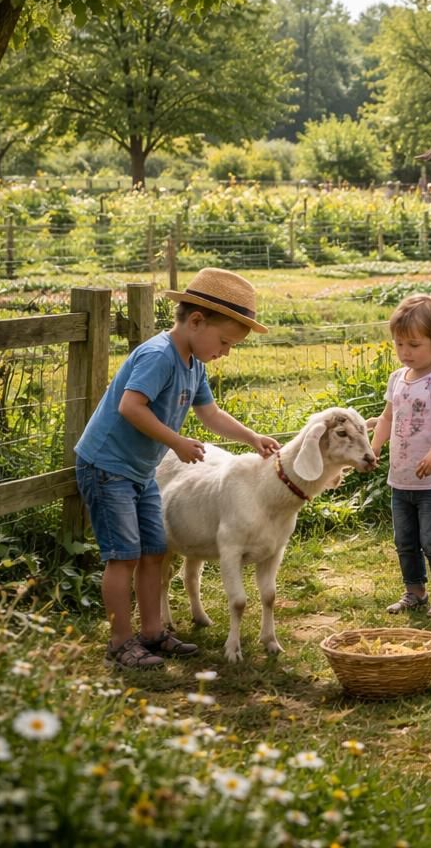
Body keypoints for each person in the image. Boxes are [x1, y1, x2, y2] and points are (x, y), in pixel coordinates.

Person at [73, 267, 278, 669]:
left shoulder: (193, 364)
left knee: (154, 550)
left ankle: (152, 633)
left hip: (140, 469)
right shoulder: (158, 356)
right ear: (196, 321)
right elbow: (130, 407)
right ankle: (119, 641)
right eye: (224, 341)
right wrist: (176, 442)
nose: (225, 352)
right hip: (107, 466)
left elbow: (211, 414)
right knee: (123, 556)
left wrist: (252, 438)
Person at [368, 294, 431, 619]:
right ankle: (414, 591)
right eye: (399, 345)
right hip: (402, 478)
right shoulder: (397, 378)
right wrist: (376, 446)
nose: (405, 352)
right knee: (405, 541)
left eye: (413, 344)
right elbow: (387, 417)